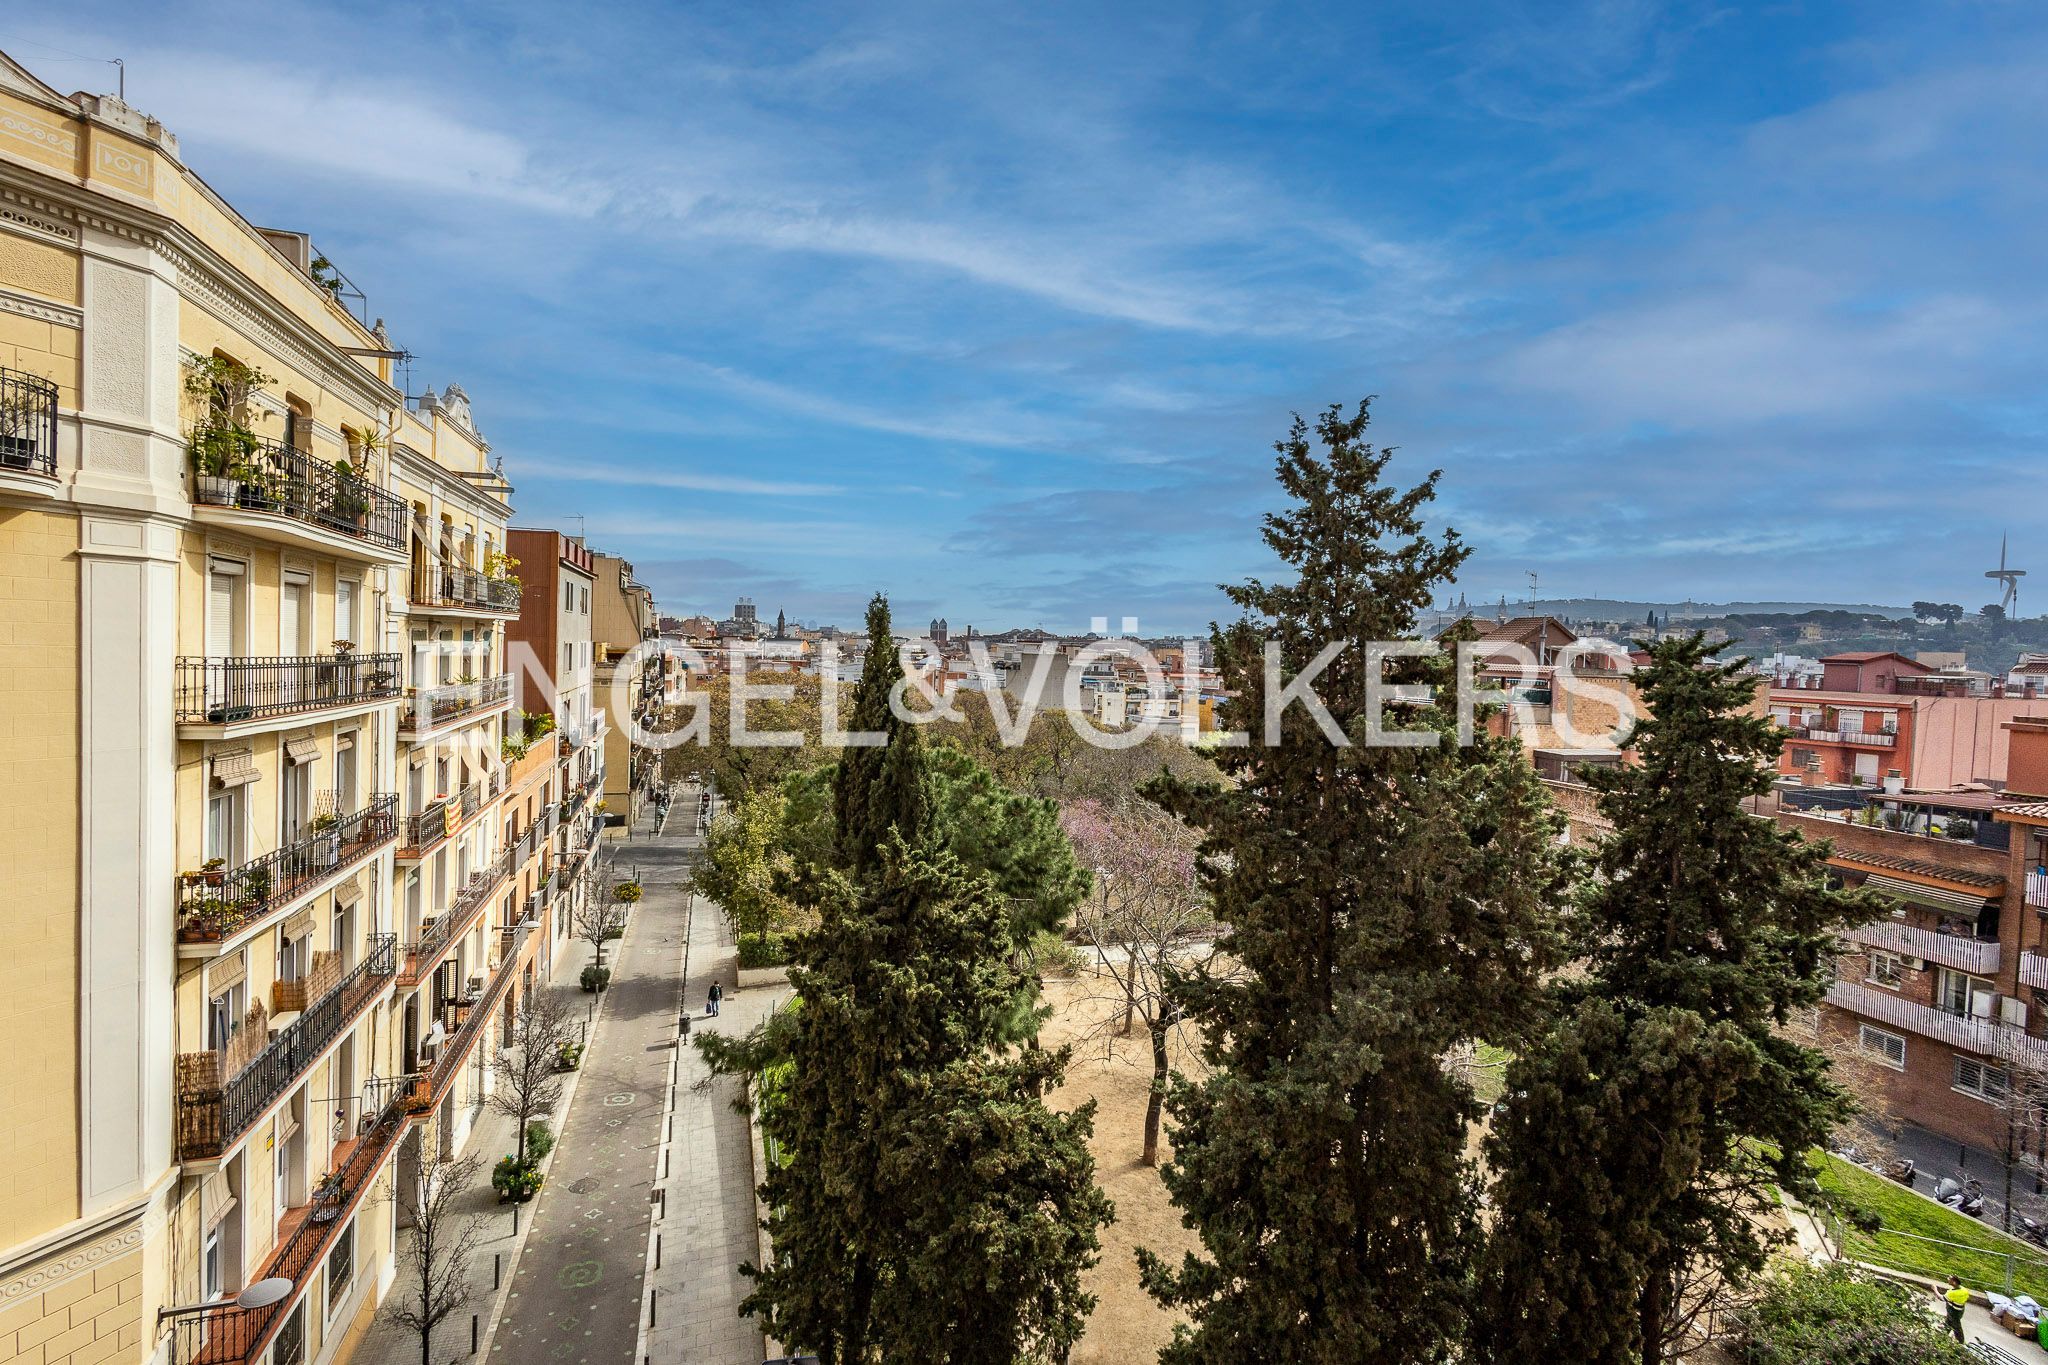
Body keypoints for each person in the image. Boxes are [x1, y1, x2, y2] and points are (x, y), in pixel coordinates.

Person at [1945, 1275, 1970, 1342]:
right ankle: (1944, 1334)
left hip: (1953, 1311)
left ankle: (1960, 1342)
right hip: (1960, 1310)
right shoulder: (1964, 1290)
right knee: (1948, 1322)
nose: (1947, 1279)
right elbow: (1966, 1298)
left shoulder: (1952, 1293)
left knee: (1956, 1327)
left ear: (1954, 1282)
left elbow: (1942, 1298)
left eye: (1949, 1279)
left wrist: (1934, 1289)